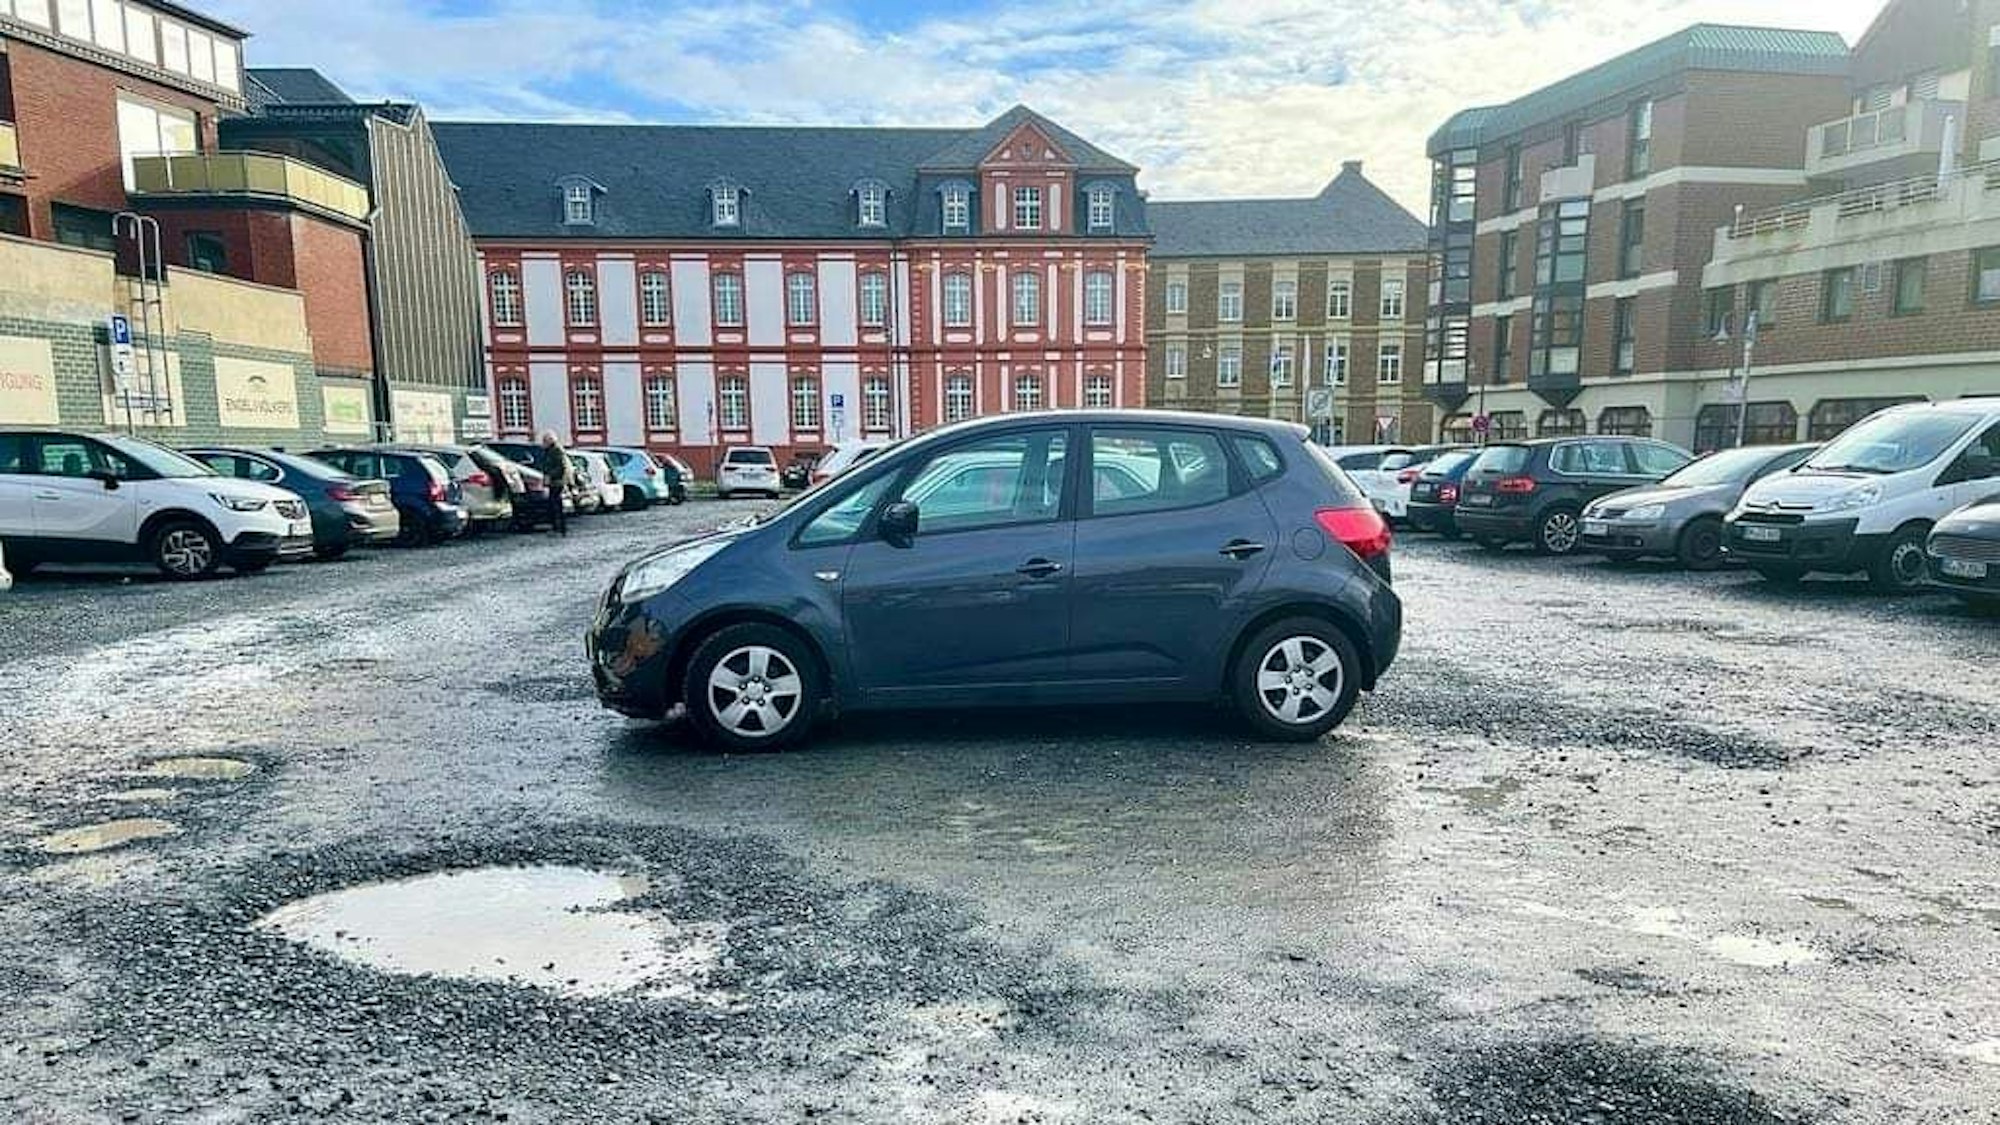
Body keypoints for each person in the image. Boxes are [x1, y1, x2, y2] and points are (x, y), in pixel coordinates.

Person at [538, 430, 571, 537]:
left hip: (557, 482)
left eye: (544, 440)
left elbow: (561, 467)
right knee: (554, 505)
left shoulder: (556, 450)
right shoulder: (550, 450)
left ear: (550, 440)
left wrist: (550, 475)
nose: (543, 442)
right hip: (554, 482)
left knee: (556, 506)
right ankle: (558, 528)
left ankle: (559, 529)